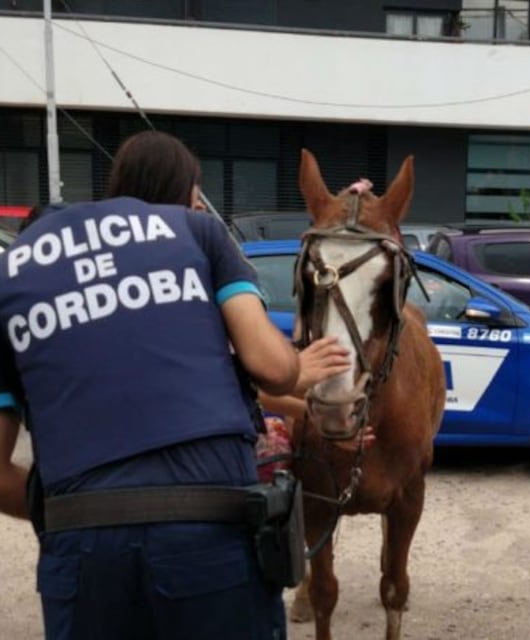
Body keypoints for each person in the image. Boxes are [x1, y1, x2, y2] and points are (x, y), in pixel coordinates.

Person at [0, 130, 300, 639]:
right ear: (188, 194)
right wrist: (296, 365)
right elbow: (270, 366)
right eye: (197, 197)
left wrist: (76, 512)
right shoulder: (197, 231)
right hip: (209, 534)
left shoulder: (11, 270)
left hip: (81, 550)